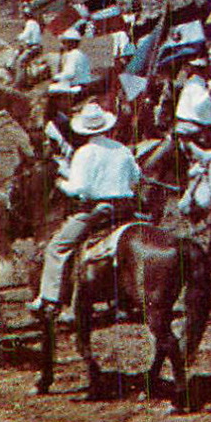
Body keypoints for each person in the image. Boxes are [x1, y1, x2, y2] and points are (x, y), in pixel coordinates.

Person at [28, 103, 142, 316]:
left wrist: (61, 182)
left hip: (97, 210)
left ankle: (49, 299)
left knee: (57, 247)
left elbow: (78, 188)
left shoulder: (85, 153)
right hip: (125, 209)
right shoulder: (122, 149)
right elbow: (136, 177)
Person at [51, 26, 92, 92]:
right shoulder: (79, 53)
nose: (63, 45)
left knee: (48, 89)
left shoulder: (73, 54)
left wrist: (55, 77)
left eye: (64, 42)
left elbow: (70, 74)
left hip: (77, 86)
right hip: (81, 84)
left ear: (71, 43)